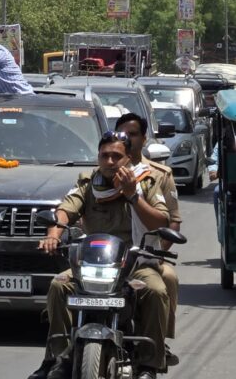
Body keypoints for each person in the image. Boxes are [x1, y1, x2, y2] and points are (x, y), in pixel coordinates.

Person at [28, 132, 171, 379]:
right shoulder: (88, 184)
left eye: (117, 156)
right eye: (105, 155)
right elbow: (64, 211)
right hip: (92, 264)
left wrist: (132, 195)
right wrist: (53, 234)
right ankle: (57, 358)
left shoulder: (146, 182)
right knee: (58, 285)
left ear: (129, 158)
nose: (110, 161)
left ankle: (149, 363)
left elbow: (160, 220)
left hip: (133, 262)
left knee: (156, 291)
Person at [115, 113, 181, 361]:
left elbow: (172, 219)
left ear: (144, 139)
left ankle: (158, 342)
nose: (127, 139)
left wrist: (156, 251)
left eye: (133, 134)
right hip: (111, 257)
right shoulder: (102, 172)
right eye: (122, 134)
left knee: (167, 280)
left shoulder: (157, 174)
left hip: (147, 254)